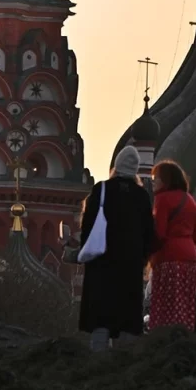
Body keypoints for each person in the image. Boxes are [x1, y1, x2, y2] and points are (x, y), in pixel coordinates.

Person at [78, 146, 155, 352]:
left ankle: (98, 358)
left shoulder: (101, 190)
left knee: (100, 314)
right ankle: (124, 362)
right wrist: (143, 258)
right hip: (129, 265)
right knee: (127, 314)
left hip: (102, 262)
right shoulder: (141, 196)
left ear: (116, 166)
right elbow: (149, 232)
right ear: (135, 170)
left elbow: (88, 226)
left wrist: (84, 251)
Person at [148, 160, 196, 331]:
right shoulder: (190, 200)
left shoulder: (162, 199)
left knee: (165, 307)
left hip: (168, 258)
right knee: (184, 306)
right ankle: (184, 339)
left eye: (157, 178)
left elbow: (160, 233)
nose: (153, 181)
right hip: (189, 259)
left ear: (166, 180)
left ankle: (165, 343)